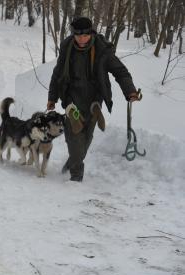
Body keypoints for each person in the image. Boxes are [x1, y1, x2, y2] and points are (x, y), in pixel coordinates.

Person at [47, 16, 140, 182]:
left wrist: (130, 91)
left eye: (85, 35)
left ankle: (74, 160)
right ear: (73, 34)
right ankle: (76, 176)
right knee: (74, 135)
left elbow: (120, 71)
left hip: (93, 97)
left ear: (91, 33)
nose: (82, 39)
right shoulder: (67, 47)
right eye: (78, 35)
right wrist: (52, 97)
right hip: (72, 97)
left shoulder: (102, 50)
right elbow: (57, 74)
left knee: (86, 137)